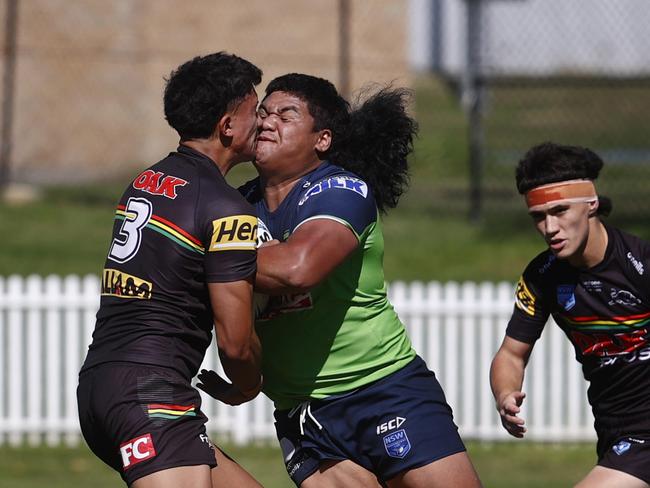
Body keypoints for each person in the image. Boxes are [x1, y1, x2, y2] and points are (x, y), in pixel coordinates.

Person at [198, 74, 481, 487]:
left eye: (286, 114)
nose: (266, 121)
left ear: (322, 140)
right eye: (263, 112)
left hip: (382, 389)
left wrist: (205, 258)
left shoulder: (341, 189)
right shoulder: (238, 206)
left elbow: (298, 269)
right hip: (301, 413)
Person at [77, 52, 264, 488]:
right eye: (255, 111)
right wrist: (249, 385)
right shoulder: (224, 206)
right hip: (152, 396)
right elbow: (235, 344)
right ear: (228, 125)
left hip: (101, 387)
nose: (263, 122)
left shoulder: (144, 180)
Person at [490, 142, 650, 487]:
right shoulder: (542, 277)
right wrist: (505, 396)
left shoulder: (640, 265)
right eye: (538, 217)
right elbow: (511, 355)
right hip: (615, 439)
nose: (550, 228)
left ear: (590, 204)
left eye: (560, 211)